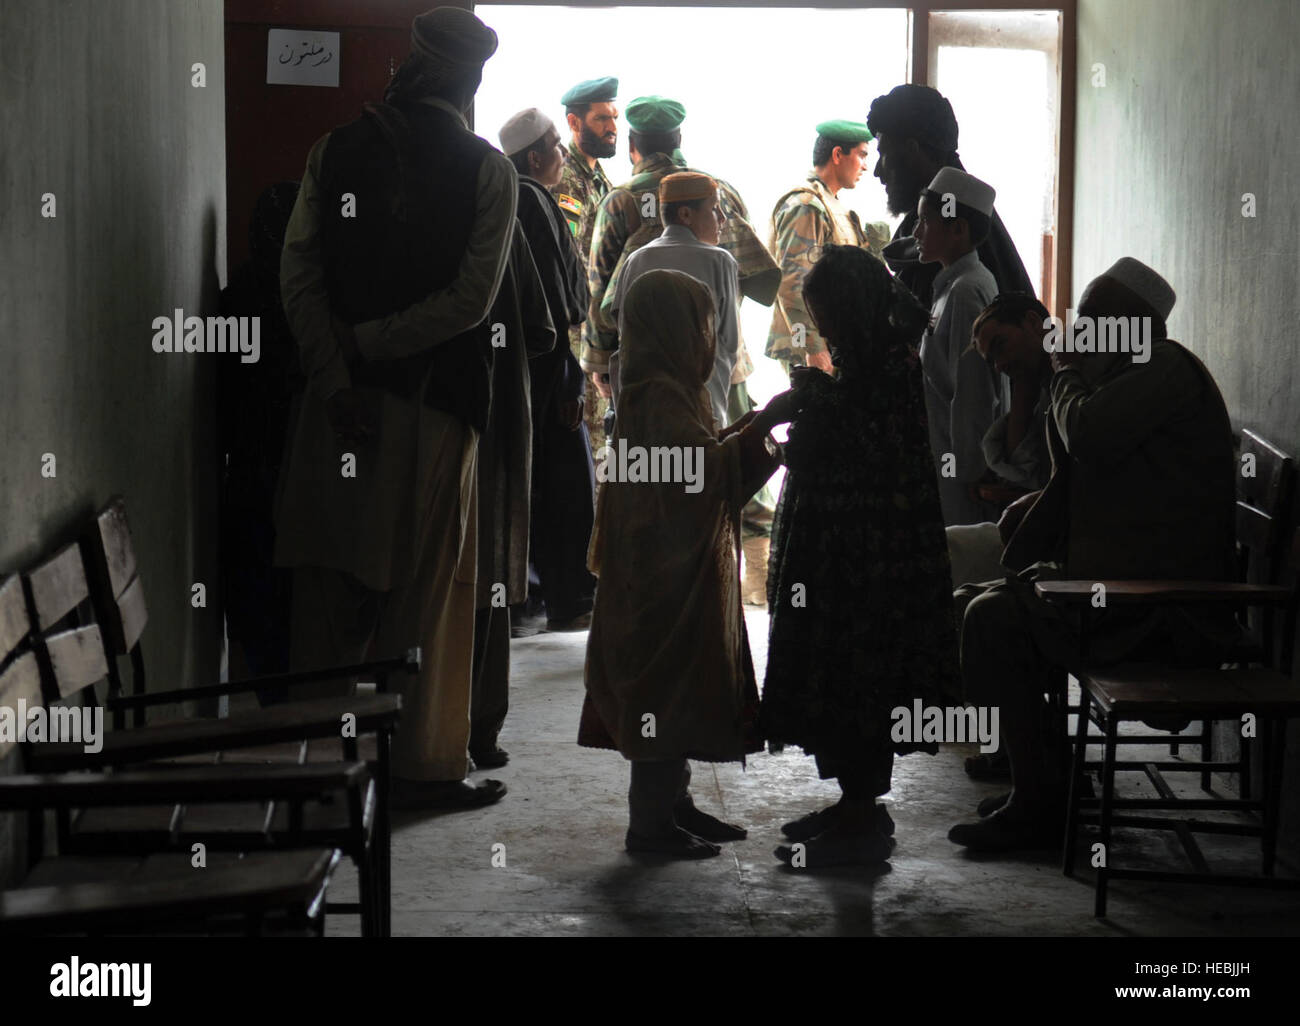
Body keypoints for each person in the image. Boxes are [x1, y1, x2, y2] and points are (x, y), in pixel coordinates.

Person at [275, 6, 511, 808]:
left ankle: (320, 766)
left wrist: (337, 374)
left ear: (409, 65)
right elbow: (471, 302)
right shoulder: (488, 170)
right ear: (472, 80)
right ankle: (419, 768)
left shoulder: (332, 150)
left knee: (329, 588)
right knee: (429, 595)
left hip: (336, 407)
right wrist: (376, 343)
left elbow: (298, 275)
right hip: (435, 406)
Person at [947, 258, 1239, 851]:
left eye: (1093, 320)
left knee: (994, 620)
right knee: (972, 604)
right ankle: (1049, 779)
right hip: (1126, 591)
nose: (1079, 330)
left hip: (1168, 609)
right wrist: (1028, 526)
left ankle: (1038, 803)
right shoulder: (1129, 377)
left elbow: (1088, 436)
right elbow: (1075, 473)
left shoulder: (1167, 367)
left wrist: (1062, 375)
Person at [577, 269, 793, 859]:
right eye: (700, 322)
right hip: (660, 578)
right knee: (662, 694)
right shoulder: (660, 398)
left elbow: (703, 456)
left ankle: (675, 807)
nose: (709, 334)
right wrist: (768, 423)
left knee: (674, 691)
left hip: (671, 567)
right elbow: (703, 478)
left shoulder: (665, 386)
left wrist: (756, 428)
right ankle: (650, 828)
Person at [761, 246, 960, 868]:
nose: (823, 329)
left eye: (829, 314)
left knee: (861, 674)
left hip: (871, 562)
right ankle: (856, 807)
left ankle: (862, 824)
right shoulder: (867, 359)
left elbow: (860, 447)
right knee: (843, 675)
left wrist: (806, 402)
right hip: (850, 554)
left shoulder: (890, 368)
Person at [581, 95, 779, 407]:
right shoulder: (720, 191)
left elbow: (600, 290)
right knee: (727, 451)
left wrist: (600, 361)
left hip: (652, 375)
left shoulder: (620, 200)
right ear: (679, 140)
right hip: (724, 370)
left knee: (666, 457)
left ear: (633, 144)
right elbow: (744, 275)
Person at [498, 107, 596, 635]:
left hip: (523, 368)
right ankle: (566, 599)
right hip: (547, 369)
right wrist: (572, 381)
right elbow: (557, 308)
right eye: (558, 146)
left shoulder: (510, 197)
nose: (564, 155)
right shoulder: (535, 200)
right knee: (568, 488)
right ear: (536, 157)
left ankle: (527, 599)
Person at [219, 182, 303, 700]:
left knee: (257, 584)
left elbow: (226, 396)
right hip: (299, 464)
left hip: (250, 465)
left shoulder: (237, 297)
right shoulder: (309, 295)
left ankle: (271, 695)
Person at [865, 84, 1034, 308]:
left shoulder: (949, 239)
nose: (877, 172)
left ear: (912, 150)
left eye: (883, 154)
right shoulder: (954, 215)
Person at [610, 172, 738, 429]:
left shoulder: (636, 259)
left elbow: (623, 336)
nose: (722, 219)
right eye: (714, 209)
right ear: (686, 215)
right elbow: (729, 342)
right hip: (701, 413)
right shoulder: (719, 261)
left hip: (643, 414)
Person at [914, 167, 1003, 526]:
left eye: (925, 222)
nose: (916, 233)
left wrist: (971, 470)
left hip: (959, 466)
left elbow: (973, 393)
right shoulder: (952, 285)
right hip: (946, 454)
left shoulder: (966, 292)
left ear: (958, 229)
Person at [765, 119, 886, 377]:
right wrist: (812, 348)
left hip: (831, 339)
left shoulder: (831, 204)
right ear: (838, 154)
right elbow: (792, 281)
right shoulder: (806, 204)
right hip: (813, 346)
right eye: (862, 155)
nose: (866, 165)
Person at [553, 76, 619, 457]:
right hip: (576, 335)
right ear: (574, 122)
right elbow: (570, 262)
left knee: (599, 445)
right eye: (601, 119)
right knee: (585, 444)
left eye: (614, 118)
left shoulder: (597, 178)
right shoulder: (568, 178)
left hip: (595, 331)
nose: (612, 128)